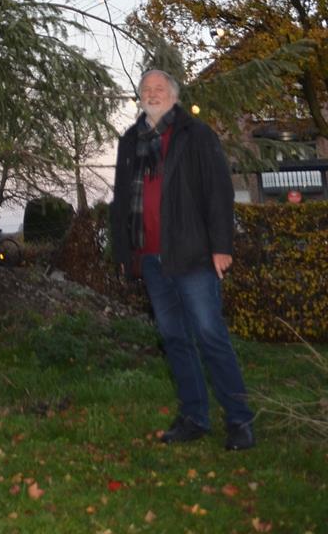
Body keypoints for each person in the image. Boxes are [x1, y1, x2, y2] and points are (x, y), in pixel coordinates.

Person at [111, 69, 255, 451]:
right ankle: (195, 417)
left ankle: (240, 420)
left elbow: (219, 192)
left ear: (174, 96)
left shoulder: (196, 135)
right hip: (152, 260)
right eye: (146, 90)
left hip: (193, 256)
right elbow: (122, 200)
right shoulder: (130, 140)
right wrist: (124, 253)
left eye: (159, 89)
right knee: (175, 339)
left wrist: (222, 246)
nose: (152, 94)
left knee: (210, 336)